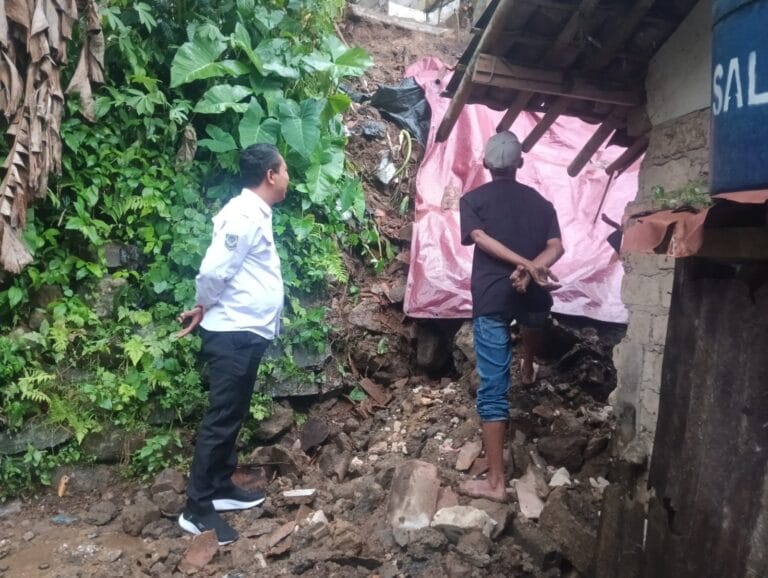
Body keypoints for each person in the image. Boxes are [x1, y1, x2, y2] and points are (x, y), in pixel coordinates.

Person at [175, 143, 289, 544]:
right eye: (285, 170)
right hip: (233, 333)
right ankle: (197, 507)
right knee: (222, 417)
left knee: (233, 413)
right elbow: (213, 270)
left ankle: (221, 486)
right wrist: (203, 304)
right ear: (271, 175)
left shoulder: (256, 213)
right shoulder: (243, 215)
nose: (288, 178)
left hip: (245, 331)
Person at [458, 131, 564, 502]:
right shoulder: (540, 203)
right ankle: (529, 364)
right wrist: (531, 266)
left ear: (486, 164)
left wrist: (521, 266)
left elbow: (479, 238)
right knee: (534, 321)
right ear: (520, 164)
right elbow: (557, 246)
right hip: (534, 291)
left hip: (491, 297)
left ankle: (496, 483)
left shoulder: (472, 200)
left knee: (493, 387)